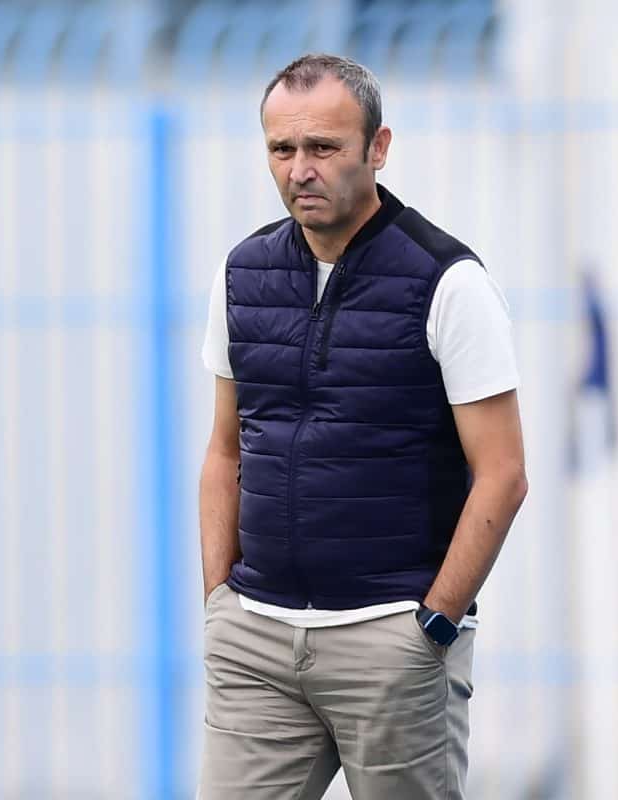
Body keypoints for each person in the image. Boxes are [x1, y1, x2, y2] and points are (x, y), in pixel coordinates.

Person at [196, 54, 528, 799]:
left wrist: (433, 625)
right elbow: (225, 450)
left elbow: (503, 474)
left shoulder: (449, 282)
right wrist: (220, 602)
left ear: (378, 148)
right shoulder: (241, 275)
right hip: (256, 640)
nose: (300, 170)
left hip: (392, 639)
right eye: (282, 149)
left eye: (323, 147)